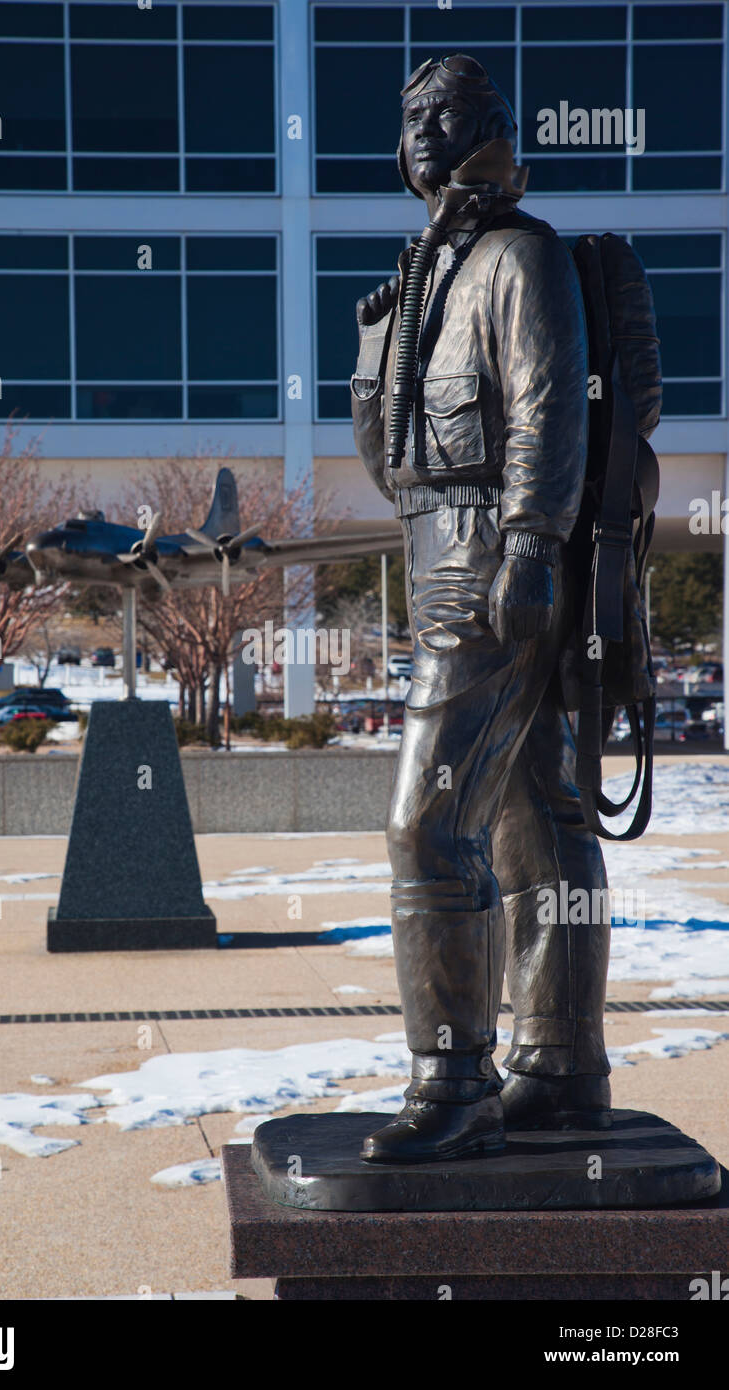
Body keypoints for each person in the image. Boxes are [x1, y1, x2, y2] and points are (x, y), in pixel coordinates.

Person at [351, 54, 611, 1163]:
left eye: (442, 113)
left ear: (490, 128)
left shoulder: (516, 256)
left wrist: (532, 545)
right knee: (529, 814)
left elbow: (551, 409)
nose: (420, 130)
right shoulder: (428, 275)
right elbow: (388, 468)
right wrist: (375, 348)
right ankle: (556, 1065)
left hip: (493, 562)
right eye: (407, 116)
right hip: (435, 551)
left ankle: (451, 1082)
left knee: (425, 823)